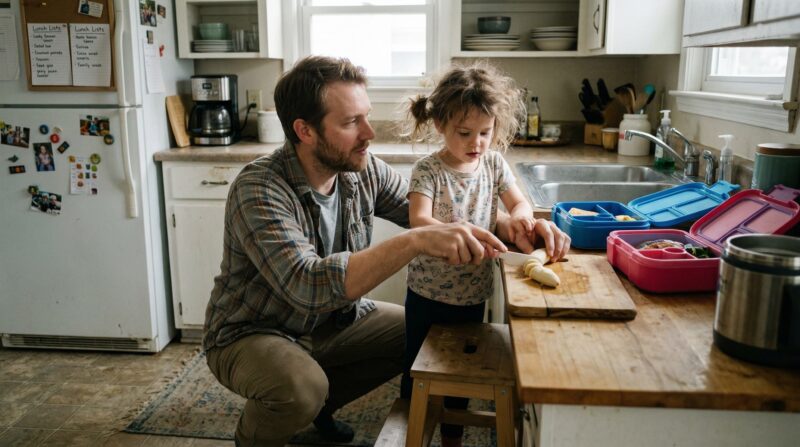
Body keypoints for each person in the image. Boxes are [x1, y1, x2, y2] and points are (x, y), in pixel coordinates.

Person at [203, 55, 512, 447]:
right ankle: (260, 434)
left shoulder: (362, 169)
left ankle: (318, 411)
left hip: (334, 322)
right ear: (305, 131)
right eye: (351, 122)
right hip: (254, 331)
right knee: (300, 388)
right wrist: (415, 240)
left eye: (366, 117)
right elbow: (308, 285)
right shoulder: (259, 188)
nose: (369, 133)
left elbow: (436, 217)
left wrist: (509, 225)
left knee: (424, 338)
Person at [399, 61, 570, 447]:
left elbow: (519, 203)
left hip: (472, 295)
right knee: (418, 375)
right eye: (465, 133)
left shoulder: (492, 163)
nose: (476, 142)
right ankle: (414, 430)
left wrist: (523, 220)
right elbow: (419, 222)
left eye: (485, 132)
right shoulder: (427, 171)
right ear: (441, 124)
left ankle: (452, 438)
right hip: (427, 295)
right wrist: (454, 232)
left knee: (459, 374)